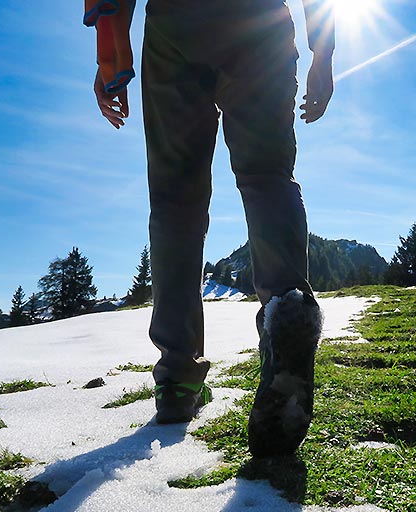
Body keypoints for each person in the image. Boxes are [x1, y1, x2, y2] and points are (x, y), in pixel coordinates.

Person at [92, 0, 335, 457]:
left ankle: (177, 380)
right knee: (267, 175)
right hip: (259, 22)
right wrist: (324, 52)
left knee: (174, 201)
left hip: (174, 25)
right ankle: (286, 310)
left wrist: (110, 59)